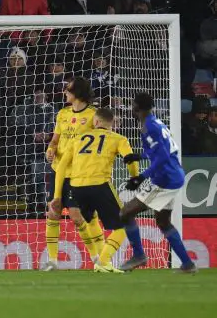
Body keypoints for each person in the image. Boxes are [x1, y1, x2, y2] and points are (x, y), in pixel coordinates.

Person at [50, 108, 140, 273]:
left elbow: (61, 166)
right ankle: (103, 261)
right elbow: (130, 160)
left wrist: (57, 196)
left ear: (96, 122)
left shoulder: (77, 139)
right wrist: (135, 177)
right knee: (124, 225)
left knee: (90, 221)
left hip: (76, 187)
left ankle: (98, 258)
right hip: (99, 184)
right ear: (111, 124)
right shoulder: (118, 138)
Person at [118, 93, 197, 273]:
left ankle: (139, 255)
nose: (131, 107)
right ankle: (187, 264)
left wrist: (141, 176)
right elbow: (164, 149)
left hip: (164, 180)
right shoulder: (155, 122)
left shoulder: (149, 127)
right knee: (163, 222)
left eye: (132, 104)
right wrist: (139, 156)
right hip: (173, 176)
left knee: (125, 213)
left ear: (137, 106)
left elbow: (162, 156)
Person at [43, 77, 103, 271]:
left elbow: (103, 141)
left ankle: (98, 258)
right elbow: (55, 140)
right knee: (53, 212)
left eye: (68, 89)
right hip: (58, 171)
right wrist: (50, 149)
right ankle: (52, 261)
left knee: (78, 216)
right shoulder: (62, 114)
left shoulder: (94, 115)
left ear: (78, 93)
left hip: (80, 173)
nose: (64, 92)